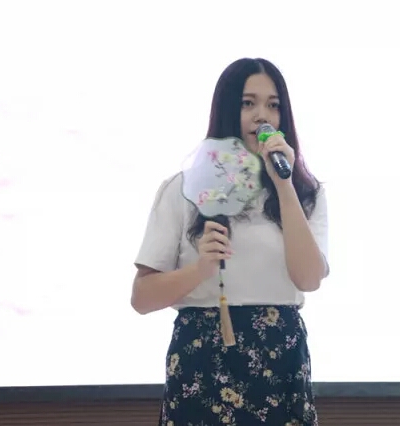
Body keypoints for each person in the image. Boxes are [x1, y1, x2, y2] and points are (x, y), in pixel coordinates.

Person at [131, 57, 329, 425]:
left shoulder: (305, 192)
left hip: (280, 358)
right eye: (248, 103)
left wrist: (284, 185)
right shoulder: (182, 189)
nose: (261, 116)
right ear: (226, 110)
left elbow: (309, 279)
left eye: (273, 105)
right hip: (202, 358)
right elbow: (141, 298)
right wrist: (200, 270)